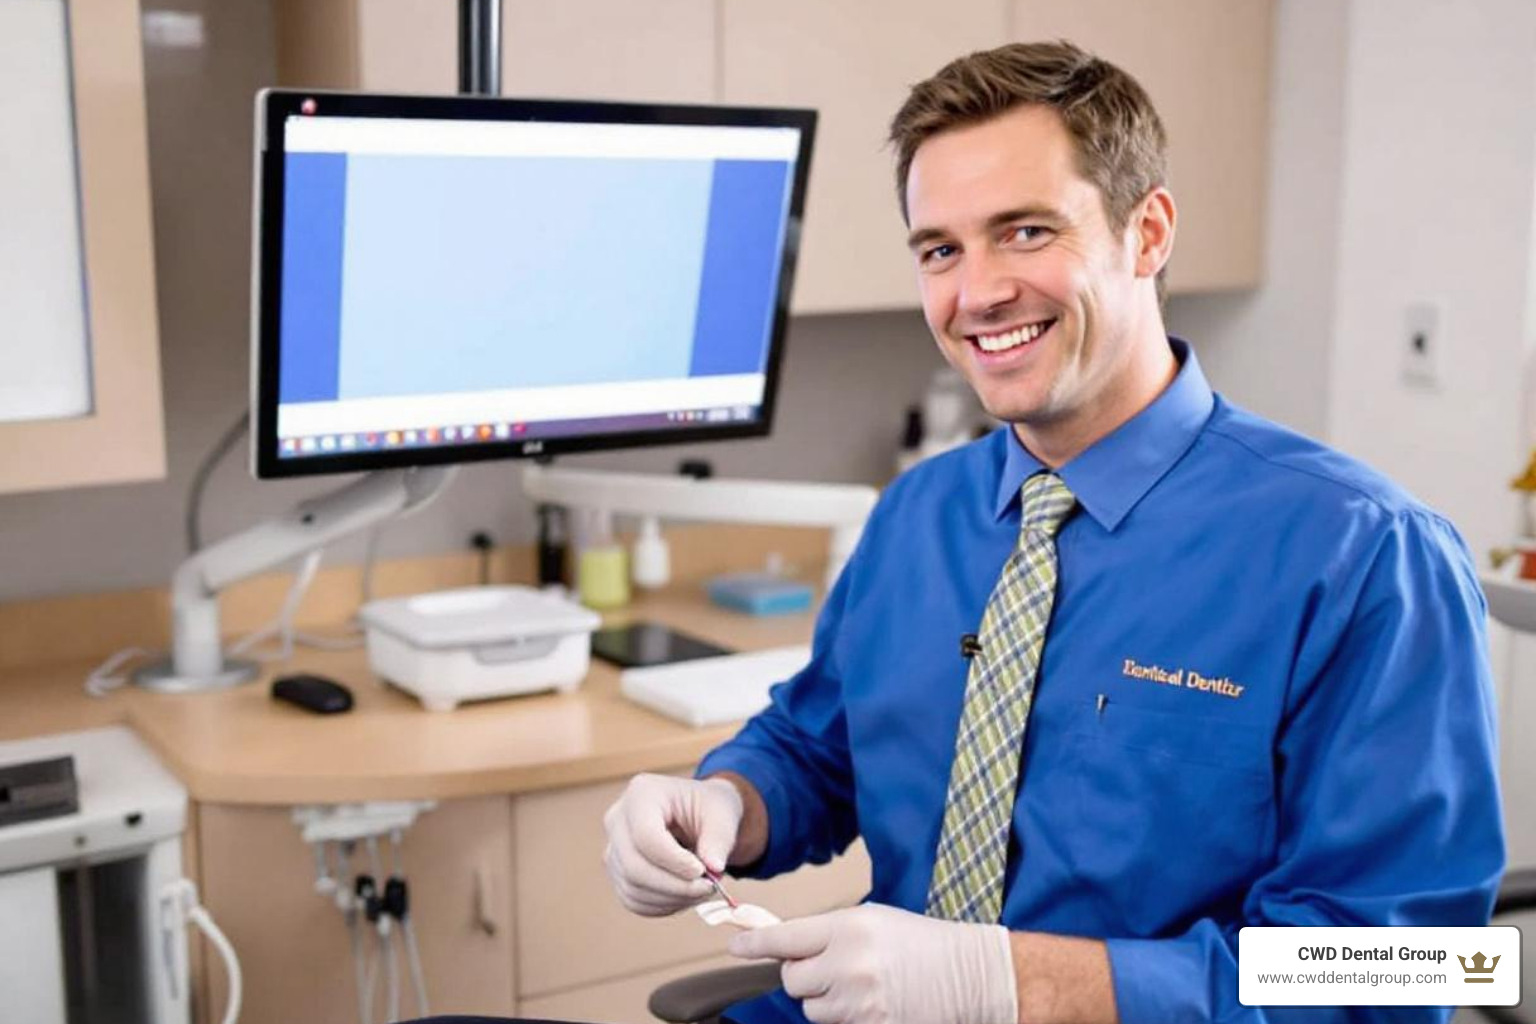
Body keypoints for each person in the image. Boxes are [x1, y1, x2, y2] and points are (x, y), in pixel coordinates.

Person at [602, 40, 1504, 1024]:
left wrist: (1010, 986)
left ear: (1147, 232)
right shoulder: (919, 512)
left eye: (1025, 232)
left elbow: (1414, 970)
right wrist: (727, 805)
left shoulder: (1367, 556)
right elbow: (821, 749)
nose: (977, 292)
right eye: (940, 249)